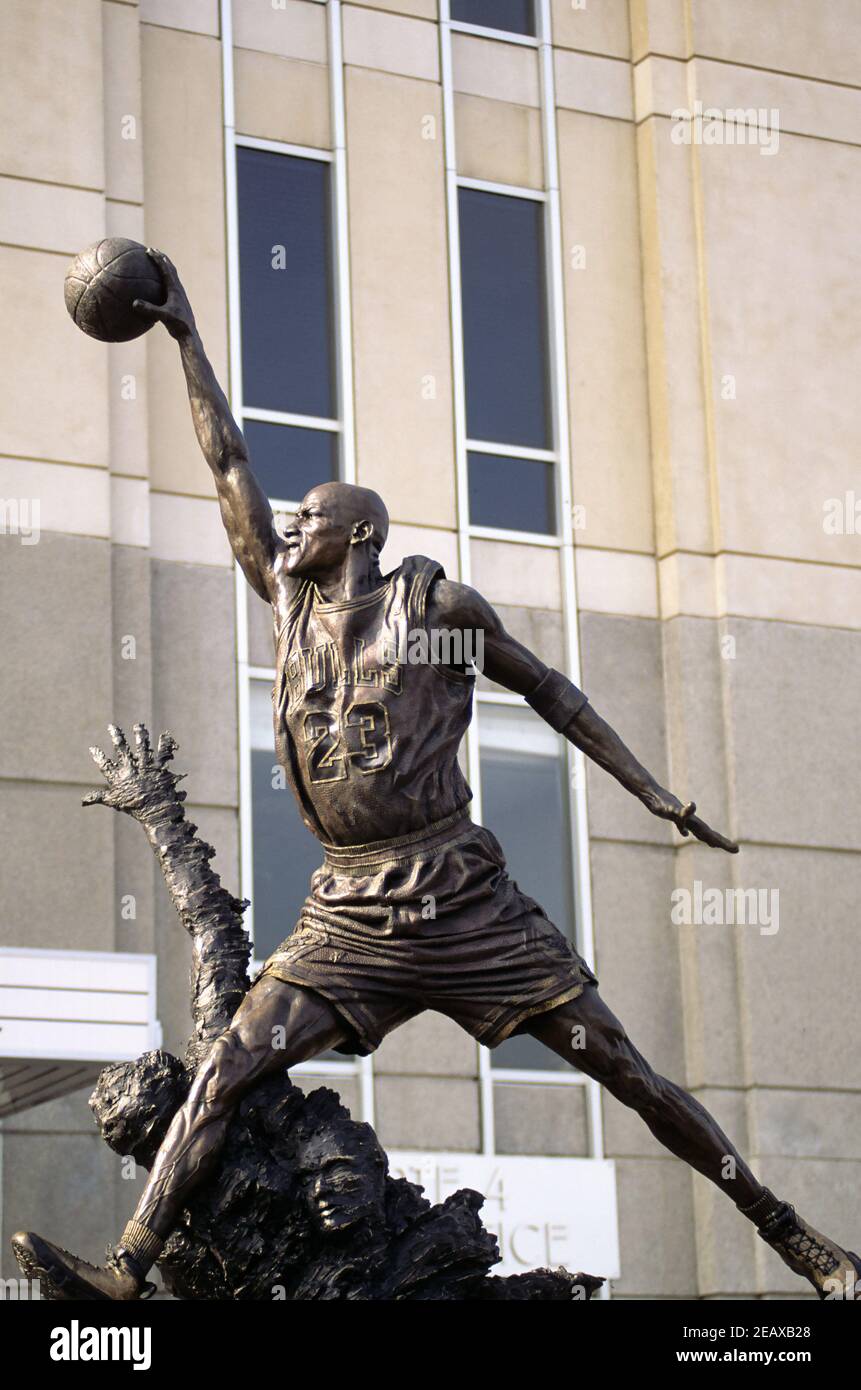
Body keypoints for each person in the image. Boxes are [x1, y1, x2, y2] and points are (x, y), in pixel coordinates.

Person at [13, 252, 859, 1301]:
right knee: (228, 1063)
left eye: (312, 516)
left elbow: (551, 691)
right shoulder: (291, 605)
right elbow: (230, 465)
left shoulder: (440, 611)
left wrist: (653, 794)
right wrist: (186, 337)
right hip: (348, 912)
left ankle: (803, 1242)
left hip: (462, 897)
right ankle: (126, 1276)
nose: (292, 526)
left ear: (359, 531)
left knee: (628, 1074)